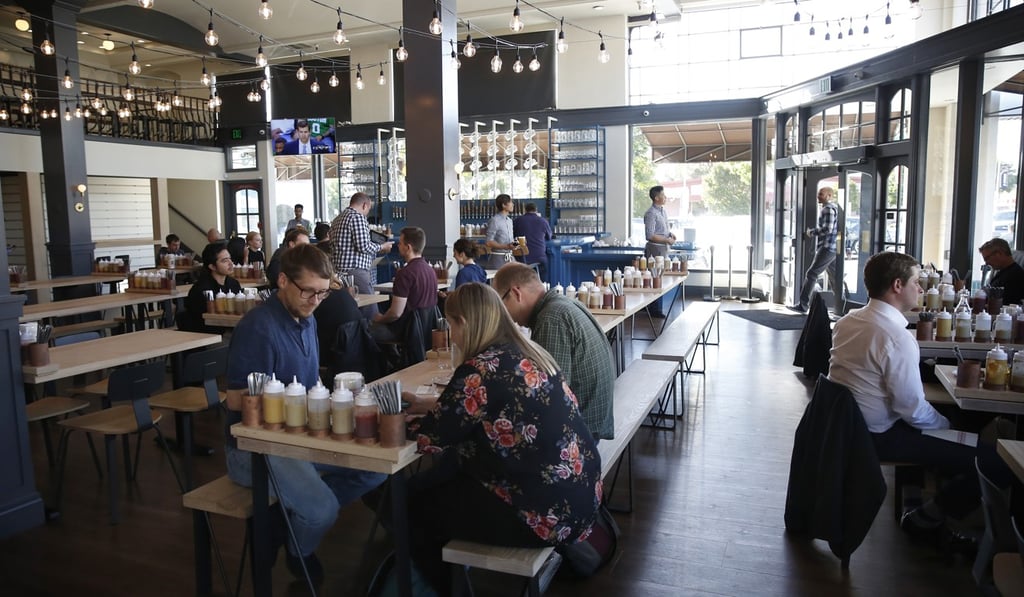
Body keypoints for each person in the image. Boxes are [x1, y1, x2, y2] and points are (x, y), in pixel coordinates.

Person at [400, 282, 602, 595]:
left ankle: (442, 588)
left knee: (413, 507)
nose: (451, 333)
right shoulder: (529, 353)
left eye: (451, 324)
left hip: (546, 515)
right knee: (437, 481)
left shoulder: (479, 369)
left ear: (464, 323)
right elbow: (495, 406)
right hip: (584, 496)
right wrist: (437, 405)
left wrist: (393, 419)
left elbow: (431, 440)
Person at [224, 244, 385, 582]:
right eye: (308, 291)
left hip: (302, 434)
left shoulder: (307, 317)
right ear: (282, 280)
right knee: (321, 509)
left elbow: (311, 382)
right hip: (256, 447)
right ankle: (300, 548)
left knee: (376, 470)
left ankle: (286, 522)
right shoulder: (259, 327)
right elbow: (236, 401)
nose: (315, 301)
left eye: (323, 294)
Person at [828, 251, 1010, 543]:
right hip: (877, 437)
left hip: (847, 428)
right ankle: (926, 518)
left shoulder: (850, 320)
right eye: (916, 282)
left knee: (957, 428)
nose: (921, 290)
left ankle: (916, 500)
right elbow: (911, 410)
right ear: (898, 286)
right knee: (998, 463)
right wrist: (948, 428)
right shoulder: (896, 337)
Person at [492, 263, 615, 440]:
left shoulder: (551, 318)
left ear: (515, 294)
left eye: (501, 305)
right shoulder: (562, 302)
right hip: (593, 417)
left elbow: (549, 394)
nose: (506, 316)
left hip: (582, 430)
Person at [329, 192, 394, 316]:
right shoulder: (357, 217)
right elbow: (363, 245)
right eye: (368, 209)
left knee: (349, 309)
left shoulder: (338, 218)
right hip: (356, 272)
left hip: (338, 273)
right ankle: (368, 335)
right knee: (370, 310)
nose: (367, 213)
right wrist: (382, 246)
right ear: (365, 205)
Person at [371, 226, 438, 342]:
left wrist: (380, 318)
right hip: (427, 331)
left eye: (401, 243)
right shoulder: (431, 271)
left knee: (365, 331)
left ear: (408, 248)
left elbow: (395, 313)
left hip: (407, 331)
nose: (398, 246)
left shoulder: (405, 274)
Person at [790, 187, 838, 313]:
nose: (818, 196)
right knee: (835, 278)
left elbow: (828, 229)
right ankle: (841, 305)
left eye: (821, 194)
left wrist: (811, 232)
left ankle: (803, 305)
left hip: (827, 247)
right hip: (834, 247)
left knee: (812, 274)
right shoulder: (834, 208)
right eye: (818, 194)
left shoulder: (827, 209)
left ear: (829, 195)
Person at [179, 242, 242, 334]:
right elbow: (200, 322)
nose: (231, 263)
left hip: (232, 329)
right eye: (224, 261)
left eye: (230, 259)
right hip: (208, 334)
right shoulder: (201, 289)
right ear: (212, 266)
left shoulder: (234, 284)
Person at [644, 186, 676, 317]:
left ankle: (656, 307)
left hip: (663, 248)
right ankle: (654, 309)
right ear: (656, 198)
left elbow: (662, 230)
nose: (665, 197)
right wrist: (666, 240)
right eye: (663, 195)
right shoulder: (651, 213)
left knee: (660, 277)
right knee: (655, 277)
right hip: (655, 249)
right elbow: (650, 235)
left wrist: (670, 235)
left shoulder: (663, 211)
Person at [513, 202, 553, 282]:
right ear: (536, 210)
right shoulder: (543, 221)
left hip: (521, 257)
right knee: (543, 274)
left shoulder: (517, 221)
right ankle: (543, 286)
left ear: (525, 210)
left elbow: (513, 237)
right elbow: (549, 237)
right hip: (539, 256)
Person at [979, 237, 1024, 306]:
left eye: (987, 258)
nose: (986, 263)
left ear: (999, 254)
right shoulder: (1002, 273)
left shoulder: (1015, 277)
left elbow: (1005, 304)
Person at [484, 193, 517, 270]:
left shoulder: (509, 221)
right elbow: (488, 242)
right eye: (511, 202)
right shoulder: (494, 220)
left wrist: (516, 244)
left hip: (510, 258)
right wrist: (506, 246)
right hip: (498, 259)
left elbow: (509, 242)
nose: (513, 204)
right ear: (504, 205)